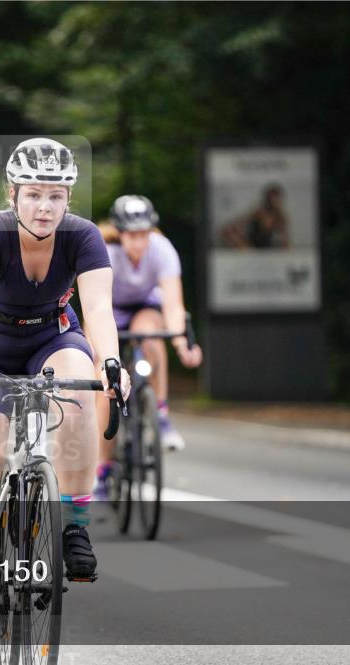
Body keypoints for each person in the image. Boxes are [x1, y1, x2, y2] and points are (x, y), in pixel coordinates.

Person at [0, 138, 130, 645]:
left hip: (51, 333)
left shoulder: (85, 236)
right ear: (13, 194)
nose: (44, 206)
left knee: (79, 381)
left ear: (69, 198)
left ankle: (75, 523)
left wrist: (111, 364)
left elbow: (97, 311)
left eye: (56, 195)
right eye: (34, 195)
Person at [92, 196, 202, 500]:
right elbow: (94, 307)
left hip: (146, 308)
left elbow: (174, 304)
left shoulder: (162, 250)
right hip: (110, 311)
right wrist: (97, 355)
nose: (139, 242)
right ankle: (103, 468)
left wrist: (182, 343)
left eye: (144, 234)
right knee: (106, 387)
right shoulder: (106, 253)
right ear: (120, 232)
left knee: (151, 335)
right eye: (132, 235)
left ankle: (161, 413)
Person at [219, 183, 290, 249]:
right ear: (267, 199)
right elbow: (235, 225)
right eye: (271, 198)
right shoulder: (259, 212)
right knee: (228, 231)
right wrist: (240, 241)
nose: (274, 201)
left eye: (276, 199)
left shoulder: (281, 216)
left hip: (267, 248)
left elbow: (285, 239)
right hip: (251, 246)